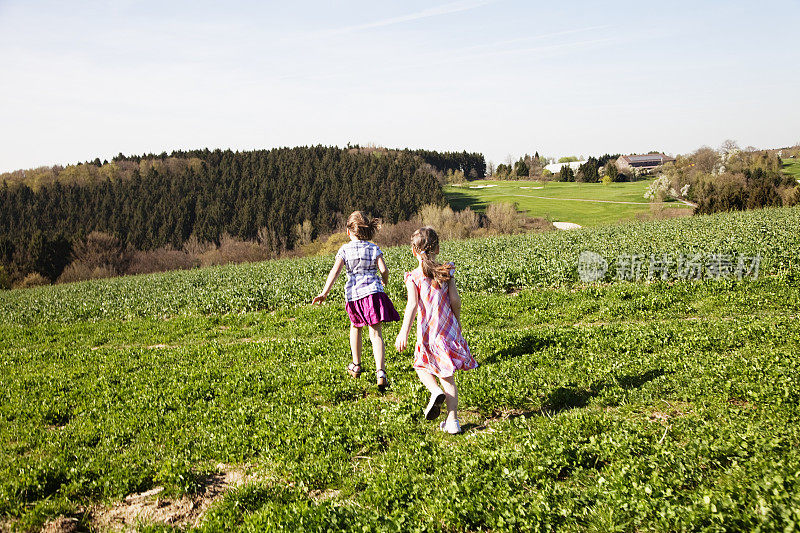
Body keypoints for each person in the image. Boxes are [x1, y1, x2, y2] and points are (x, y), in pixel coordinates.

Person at [394, 227, 477, 434]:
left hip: (427, 334)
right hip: (447, 332)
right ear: (437, 248)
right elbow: (455, 300)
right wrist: (456, 322)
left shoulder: (413, 277)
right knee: (447, 377)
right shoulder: (446, 271)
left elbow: (412, 306)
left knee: (421, 366)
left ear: (414, 251)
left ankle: (433, 391)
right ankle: (453, 421)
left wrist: (404, 332)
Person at [313, 211, 400, 390]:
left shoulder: (344, 250)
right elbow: (384, 269)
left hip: (354, 296)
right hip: (374, 294)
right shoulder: (374, 248)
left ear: (348, 232)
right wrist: (384, 280)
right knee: (376, 334)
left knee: (356, 327)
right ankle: (381, 372)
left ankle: (356, 364)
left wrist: (324, 292)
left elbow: (335, 272)